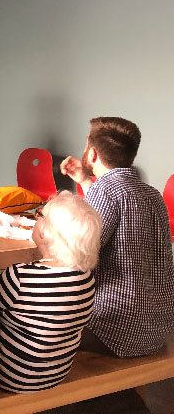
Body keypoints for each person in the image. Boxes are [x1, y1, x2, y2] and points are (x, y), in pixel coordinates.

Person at [60, 116, 174, 357]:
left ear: (92, 154)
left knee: (18, 321)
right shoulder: (152, 194)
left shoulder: (105, 191)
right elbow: (111, 212)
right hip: (157, 330)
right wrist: (85, 181)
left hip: (115, 331)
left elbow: (76, 257)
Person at [0, 191, 100, 392]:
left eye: (40, 214)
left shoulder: (21, 276)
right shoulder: (86, 279)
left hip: (1, 374)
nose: (36, 218)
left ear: (45, 233)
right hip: (53, 375)